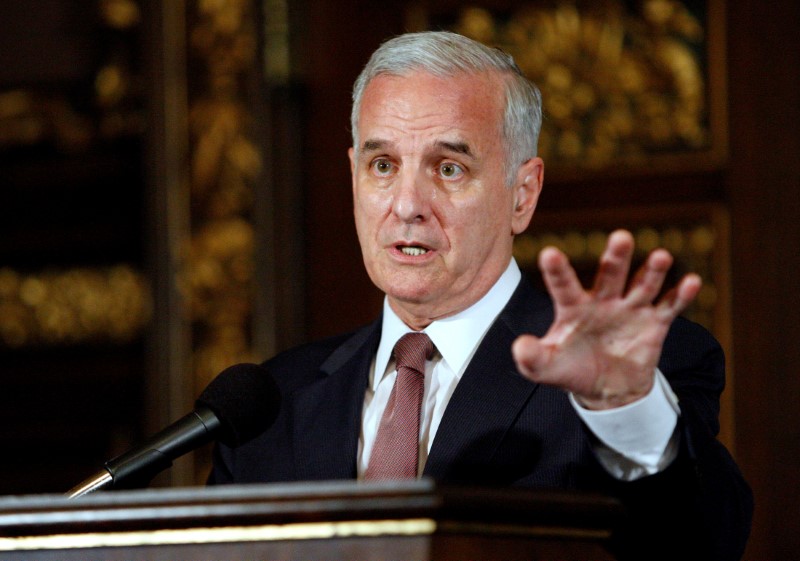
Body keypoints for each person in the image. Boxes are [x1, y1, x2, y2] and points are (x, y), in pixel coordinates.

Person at [209, 31, 752, 560]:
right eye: (382, 166)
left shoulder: (618, 376)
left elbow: (705, 543)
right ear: (353, 176)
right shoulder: (271, 403)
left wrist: (627, 409)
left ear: (523, 194)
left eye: (449, 168)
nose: (406, 205)